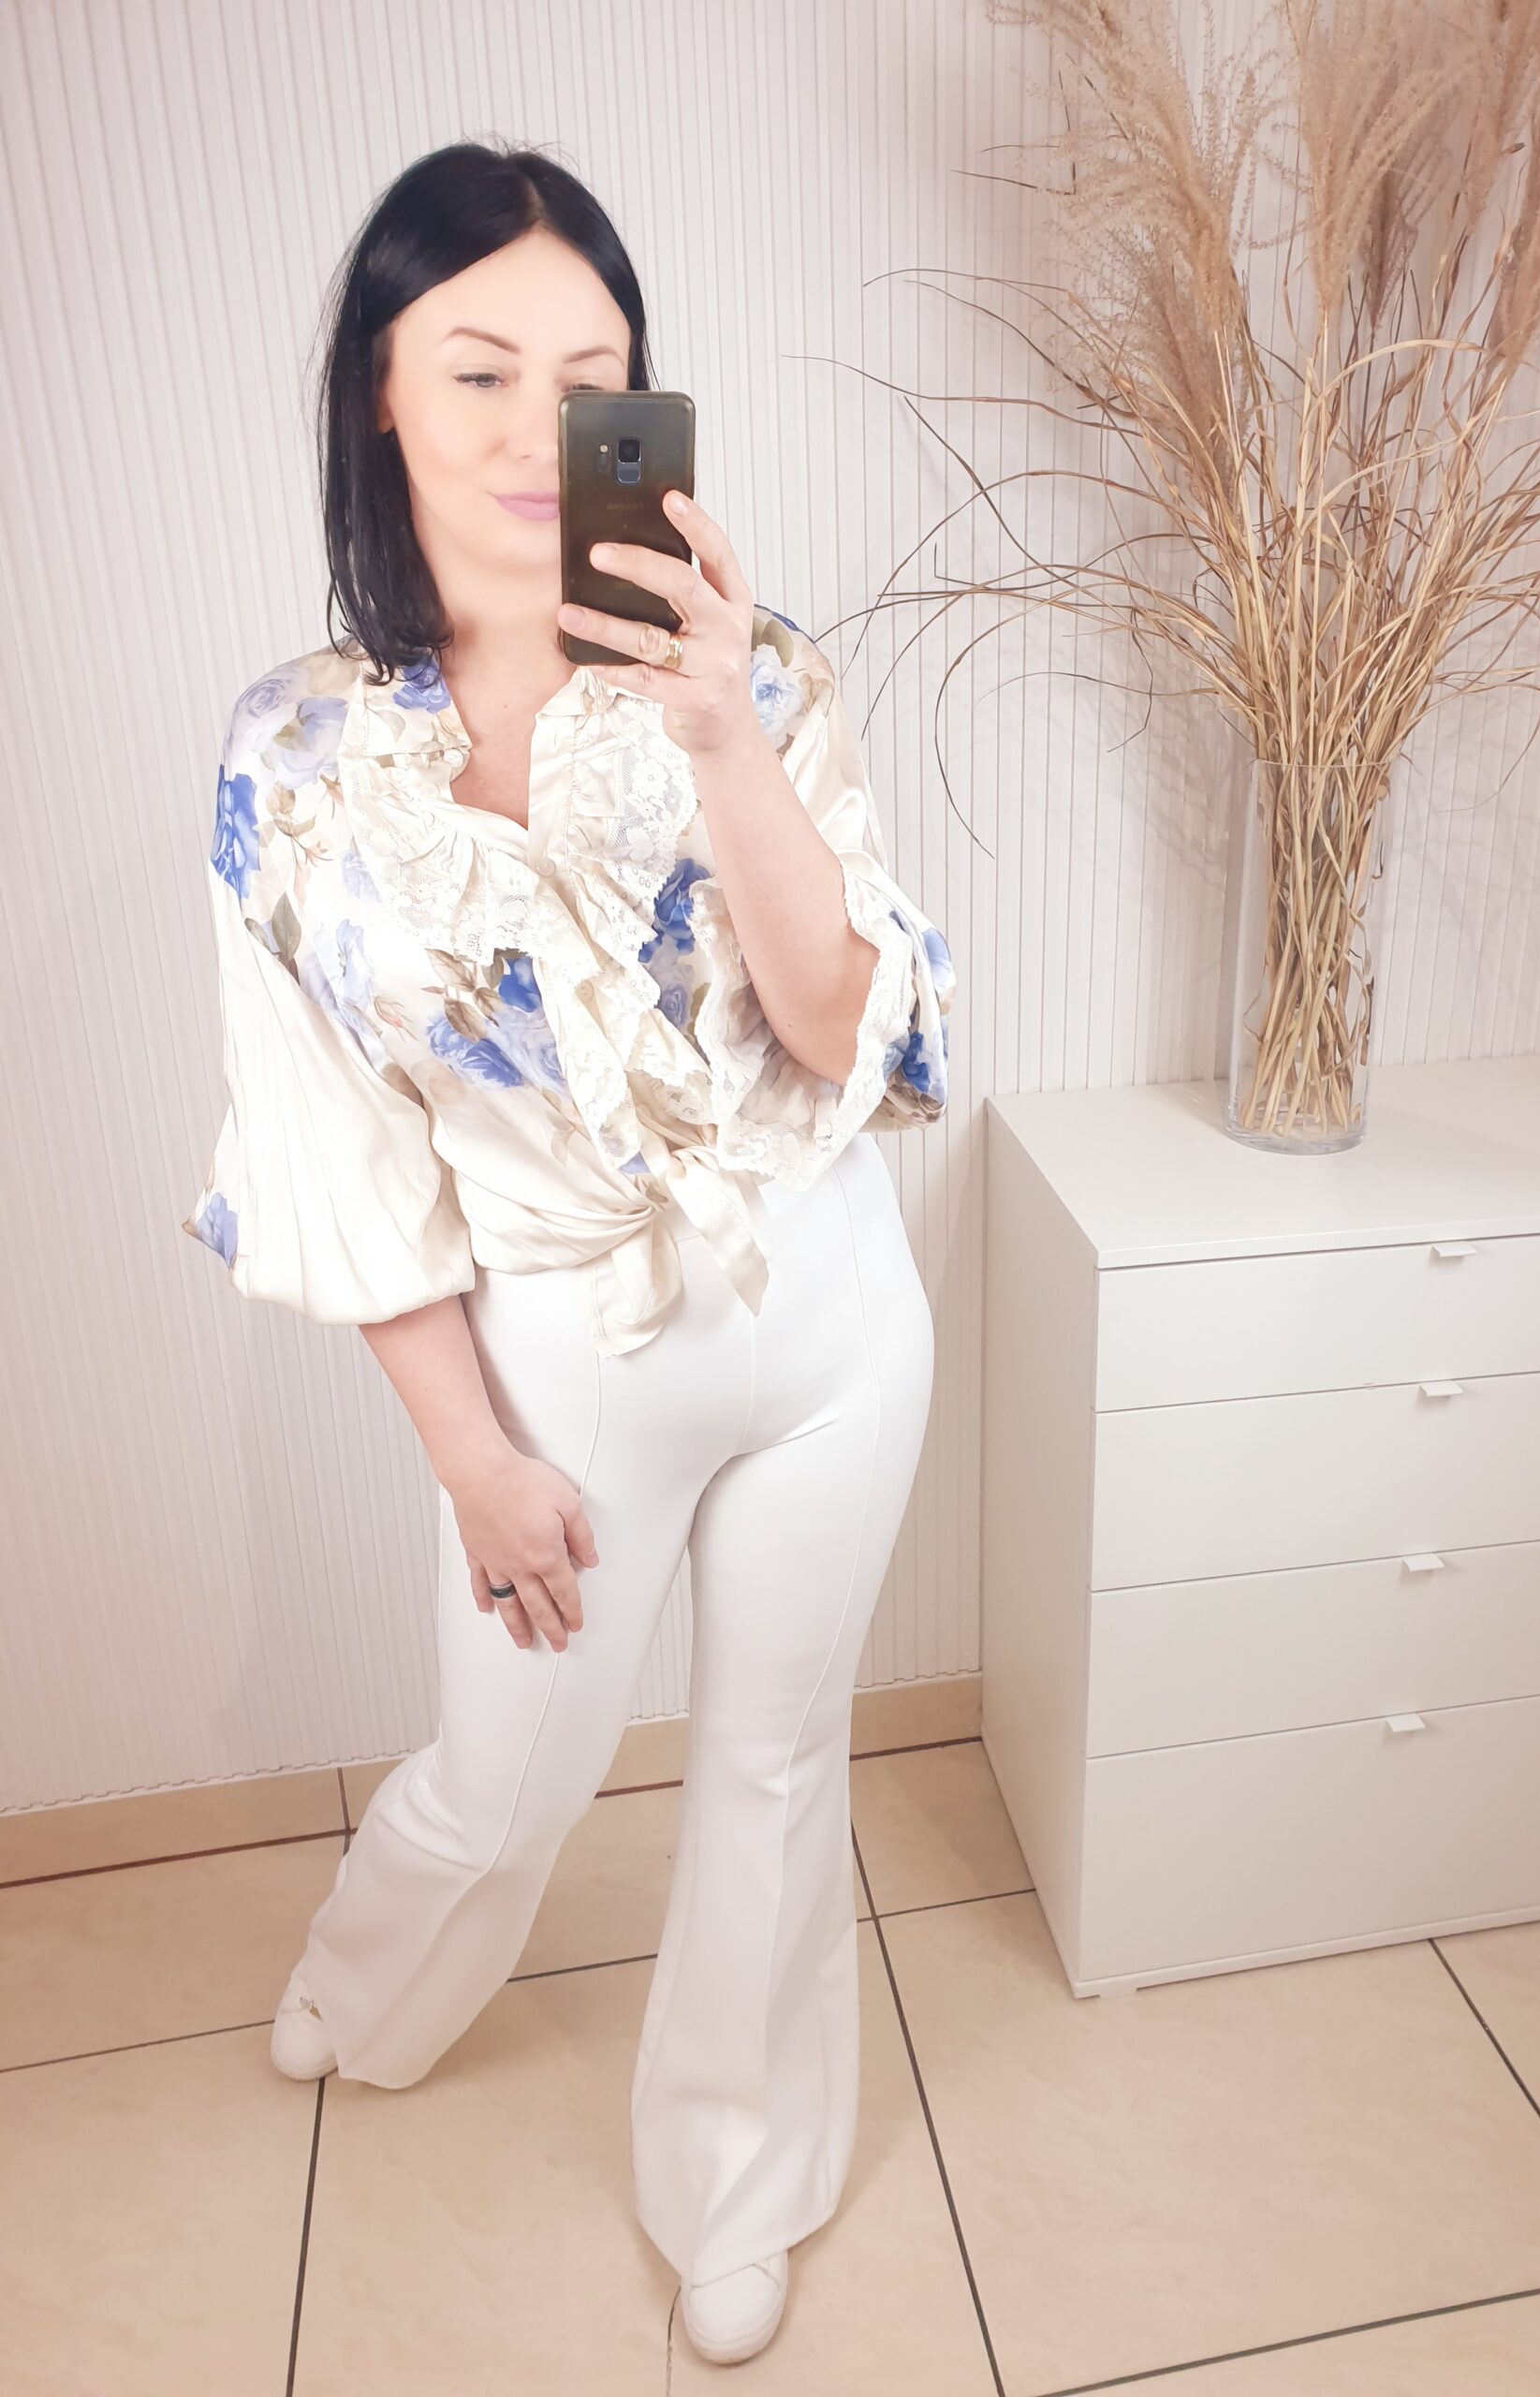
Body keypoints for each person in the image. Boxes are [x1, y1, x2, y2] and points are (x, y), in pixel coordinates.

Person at [180, 140, 954, 2367]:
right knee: (506, 1769)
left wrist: (720, 734)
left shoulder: (755, 674)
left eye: (588, 372)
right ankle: (374, 1980)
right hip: (560, 1348)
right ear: (381, 391)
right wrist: (474, 1458)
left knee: (776, 1773)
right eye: (480, 367)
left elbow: (851, 1032)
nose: (540, 427)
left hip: (825, 1308)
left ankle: (736, 2176)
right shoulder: (295, 756)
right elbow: (332, 1152)